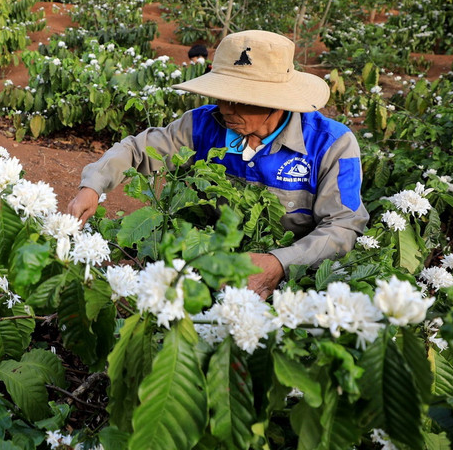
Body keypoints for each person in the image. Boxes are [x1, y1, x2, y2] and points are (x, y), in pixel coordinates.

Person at [67, 30, 369, 299]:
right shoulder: (202, 125)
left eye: (241, 99)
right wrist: (93, 185)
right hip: (204, 265)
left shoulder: (331, 145)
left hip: (292, 286)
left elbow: (342, 226)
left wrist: (279, 262)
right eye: (223, 95)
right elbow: (137, 150)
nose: (226, 108)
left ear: (278, 100)